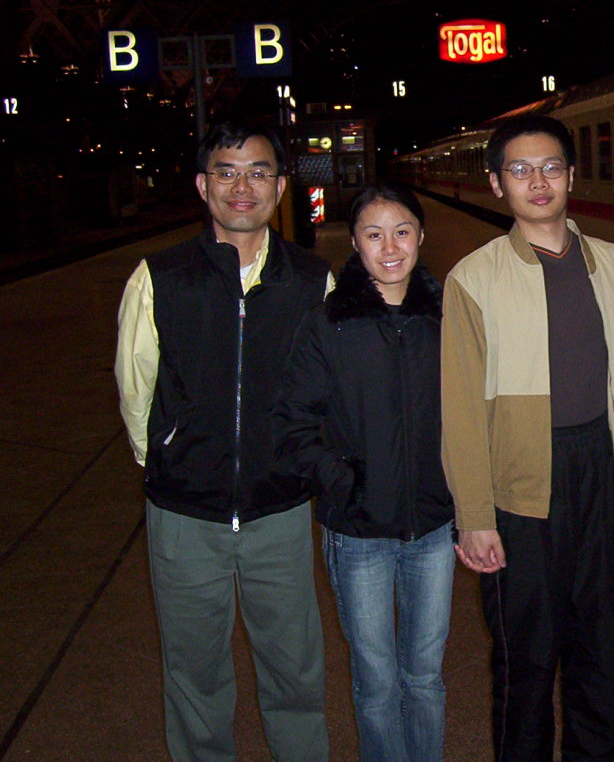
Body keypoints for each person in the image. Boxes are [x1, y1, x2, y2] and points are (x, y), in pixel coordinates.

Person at [114, 121, 331, 762]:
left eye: (259, 172)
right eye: (227, 172)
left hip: (279, 507)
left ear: (280, 187)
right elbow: (136, 386)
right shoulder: (159, 277)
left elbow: (329, 391)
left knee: (295, 668)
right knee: (194, 672)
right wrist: (169, 457)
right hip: (184, 511)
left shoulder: (313, 280)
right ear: (203, 185)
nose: (243, 186)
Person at [441, 114, 614, 762]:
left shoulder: (612, 265)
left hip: (597, 469)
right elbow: (461, 410)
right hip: (519, 486)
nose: (539, 181)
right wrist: (475, 516)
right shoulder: (474, 278)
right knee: (525, 655)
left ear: (571, 175)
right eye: (520, 170)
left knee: (598, 644)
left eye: (551, 166)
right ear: (497, 184)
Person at [273, 184, 454, 762]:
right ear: (354, 243)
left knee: (425, 676)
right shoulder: (329, 324)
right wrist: (343, 482)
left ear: (421, 236)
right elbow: (293, 423)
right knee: (376, 681)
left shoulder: (448, 319)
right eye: (374, 235)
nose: (390, 247)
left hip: (434, 528)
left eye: (402, 231)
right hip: (358, 533)